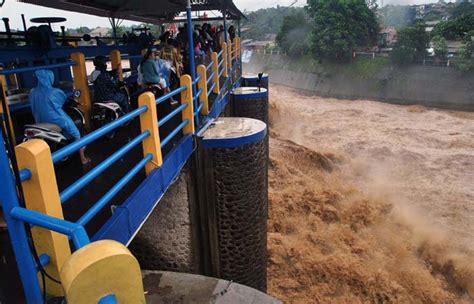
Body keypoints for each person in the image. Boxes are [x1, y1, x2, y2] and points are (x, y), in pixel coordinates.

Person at [29, 69, 91, 164]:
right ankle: (83, 159)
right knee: (76, 133)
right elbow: (63, 100)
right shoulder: (54, 92)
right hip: (56, 119)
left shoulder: (32, 92)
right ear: (50, 78)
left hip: (39, 121)